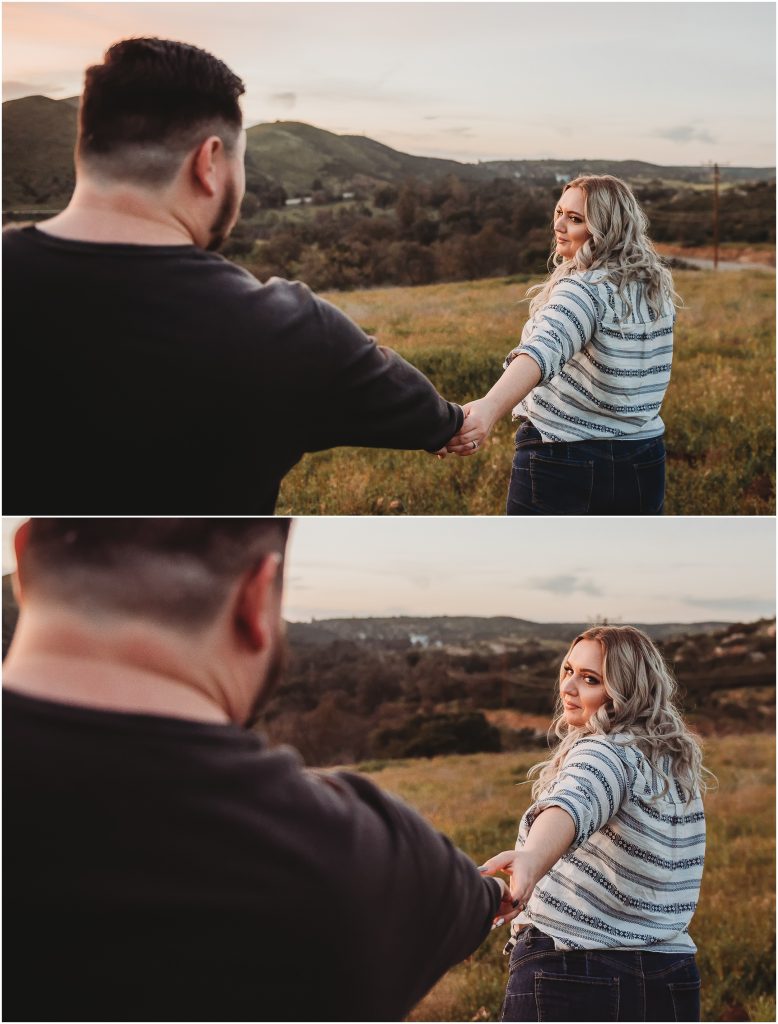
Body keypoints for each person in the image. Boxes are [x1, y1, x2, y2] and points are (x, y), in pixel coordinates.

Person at [2, 518, 522, 1022]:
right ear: (257, 595)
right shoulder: (371, 860)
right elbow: (481, 899)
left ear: (23, 560)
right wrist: (499, 892)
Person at [2, 38, 462, 515]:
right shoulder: (292, 333)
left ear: (86, 150)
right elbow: (431, 419)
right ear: (208, 163)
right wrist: (453, 422)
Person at [479, 625, 708, 1022]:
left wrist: (531, 858)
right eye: (568, 671)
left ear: (626, 691)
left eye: (590, 679)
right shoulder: (671, 769)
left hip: (574, 972)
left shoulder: (602, 753)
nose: (568, 687)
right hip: (671, 976)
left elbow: (572, 804)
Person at [446, 176, 678, 515]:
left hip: (565, 458)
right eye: (560, 212)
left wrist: (489, 408)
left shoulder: (584, 288)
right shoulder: (653, 290)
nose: (558, 225)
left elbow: (543, 350)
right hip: (643, 460)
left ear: (606, 227)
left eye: (575, 219)